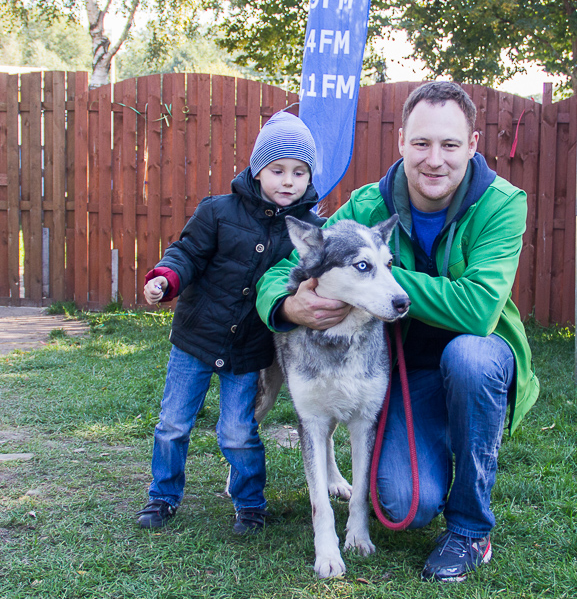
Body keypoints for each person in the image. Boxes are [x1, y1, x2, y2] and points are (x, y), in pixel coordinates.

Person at [255, 81, 540, 582]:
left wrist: (373, 278)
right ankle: (435, 444)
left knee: (469, 359)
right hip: (405, 373)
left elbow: (478, 309)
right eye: (422, 143)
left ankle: (470, 529)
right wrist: (287, 303)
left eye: (450, 144)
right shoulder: (369, 205)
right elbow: (288, 267)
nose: (435, 159)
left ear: (472, 145)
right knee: (406, 503)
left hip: (478, 357)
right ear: (402, 141)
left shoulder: (501, 203)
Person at [136, 111, 322, 534]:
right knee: (173, 424)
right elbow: (187, 253)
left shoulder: (311, 230)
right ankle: (162, 496)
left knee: (238, 431)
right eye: (277, 170)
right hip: (196, 339)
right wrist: (165, 278)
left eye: (299, 172)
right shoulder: (218, 211)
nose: (288, 181)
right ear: (257, 171)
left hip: (249, 349)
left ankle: (250, 503)